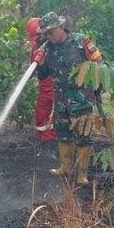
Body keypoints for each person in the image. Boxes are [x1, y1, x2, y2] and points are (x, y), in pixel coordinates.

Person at [35, 12, 103, 184]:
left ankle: (81, 174)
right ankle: (65, 167)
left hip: (81, 98)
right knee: (62, 133)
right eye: (45, 33)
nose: (48, 36)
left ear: (62, 27)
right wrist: (41, 64)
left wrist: (97, 91)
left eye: (51, 31)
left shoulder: (81, 42)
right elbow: (42, 76)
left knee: (83, 136)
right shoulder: (47, 48)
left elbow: (100, 66)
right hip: (60, 98)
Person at [26, 18, 56, 148]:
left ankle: (51, 145)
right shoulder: (36, 46)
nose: (38, 39)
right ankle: (44, 143)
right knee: (41, 114)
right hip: (44, 86)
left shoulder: (56, 45)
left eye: (39, 36)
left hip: (57, 86)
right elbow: (33, 65)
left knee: (54, 116)